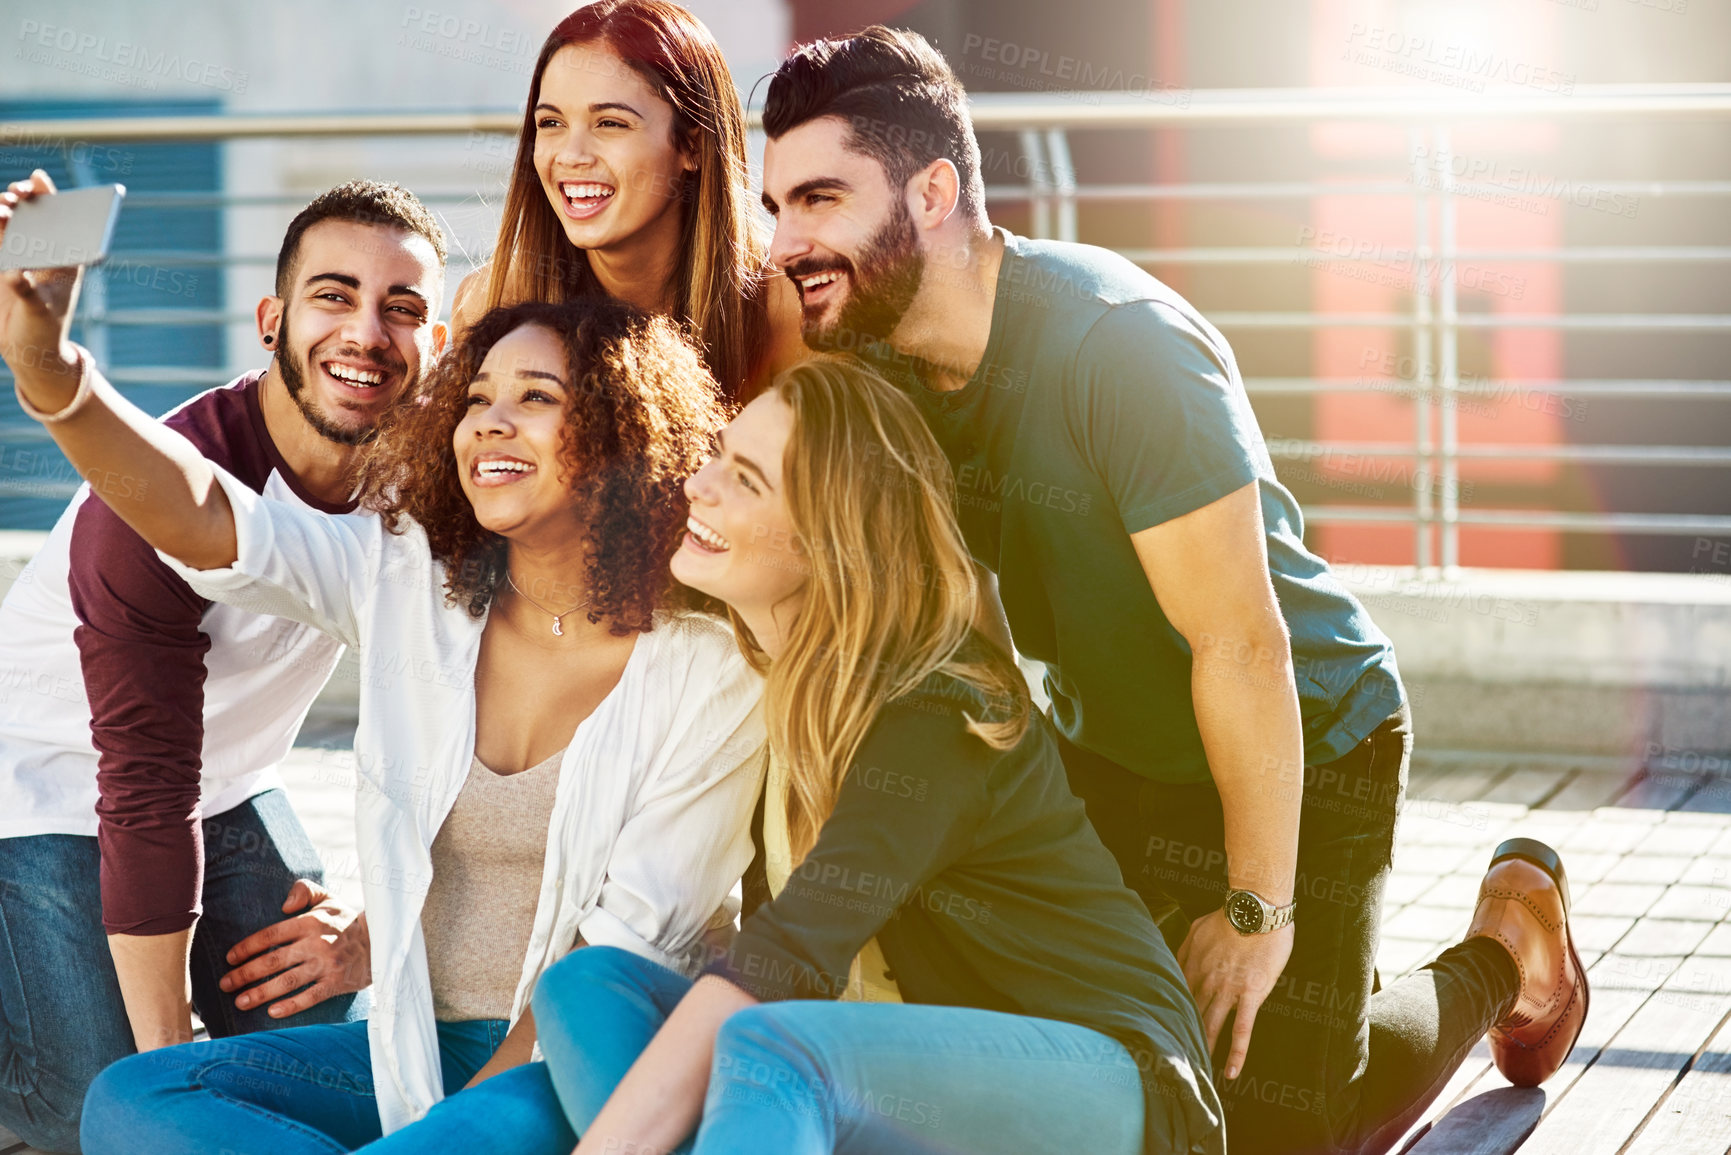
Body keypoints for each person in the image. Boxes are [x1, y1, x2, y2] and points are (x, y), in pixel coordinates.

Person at [754, 28, 1587, 1155]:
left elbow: (1242, 644)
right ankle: (1326, 985)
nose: (787, 241)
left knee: (1288, 1127)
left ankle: (1504, 945)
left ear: (935, 189)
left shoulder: (1118, 347)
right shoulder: (875, 358)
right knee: (1136, 1077)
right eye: (776, 207)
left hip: (1307, 731)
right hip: (1116, 746)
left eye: (820, 199)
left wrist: (1257, 912)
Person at [0, 185, 769, 1153]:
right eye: (480, 398)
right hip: (386, 1024)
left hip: (575, 1065)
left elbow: (622, 955)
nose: (490, 422)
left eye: (536, 398)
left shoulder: (711, 669)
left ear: (622, 434)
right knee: (132, 1098)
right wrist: (50, 369)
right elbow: (208, 522)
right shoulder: (419, 581)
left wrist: (449, 1121)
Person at [525, 356, 1225, 1155]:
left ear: (835, 542)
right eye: (719, 452)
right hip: (899, 1070)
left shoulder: (940, 705)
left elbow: (787, 960)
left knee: (773, 1045)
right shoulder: (780, 683)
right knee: (587, 983)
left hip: (1109, 1078)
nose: (698, 484)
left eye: (746, 480)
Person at [0, 176, 447, 1153]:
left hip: (230, 786)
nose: (366, 333)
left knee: (319, 1049)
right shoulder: (155, 497)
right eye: (334, 296)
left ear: (437, 348)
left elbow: (475, 729)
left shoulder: (436, 491)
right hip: (37, 790)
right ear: (272, 320)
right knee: (93, 1105)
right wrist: (158, 1099)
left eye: (403, 308)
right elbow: (143, 790)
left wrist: (376, 927)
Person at [452, 0, 805, 401]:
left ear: (693, 147)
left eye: (610, 123)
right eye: (551, 123)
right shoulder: (490, 301)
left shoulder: (789, 305)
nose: (570, 156)